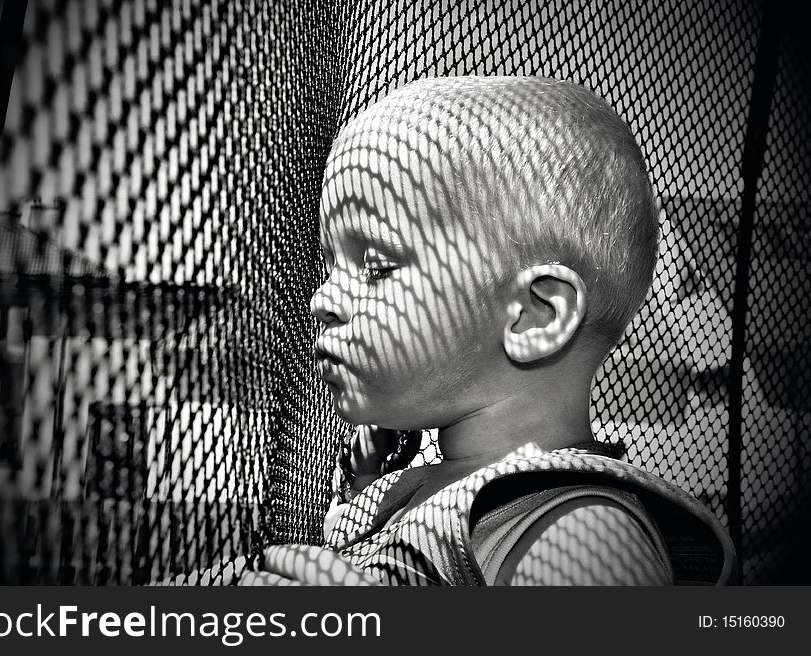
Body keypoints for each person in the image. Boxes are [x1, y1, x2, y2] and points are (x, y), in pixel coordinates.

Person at [242, 75, 734, 586]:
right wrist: (367, 483)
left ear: (533, 316)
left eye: (376, 266)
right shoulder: (414, 487)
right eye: (329, 264)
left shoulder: (578, 533)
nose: (323, 301)